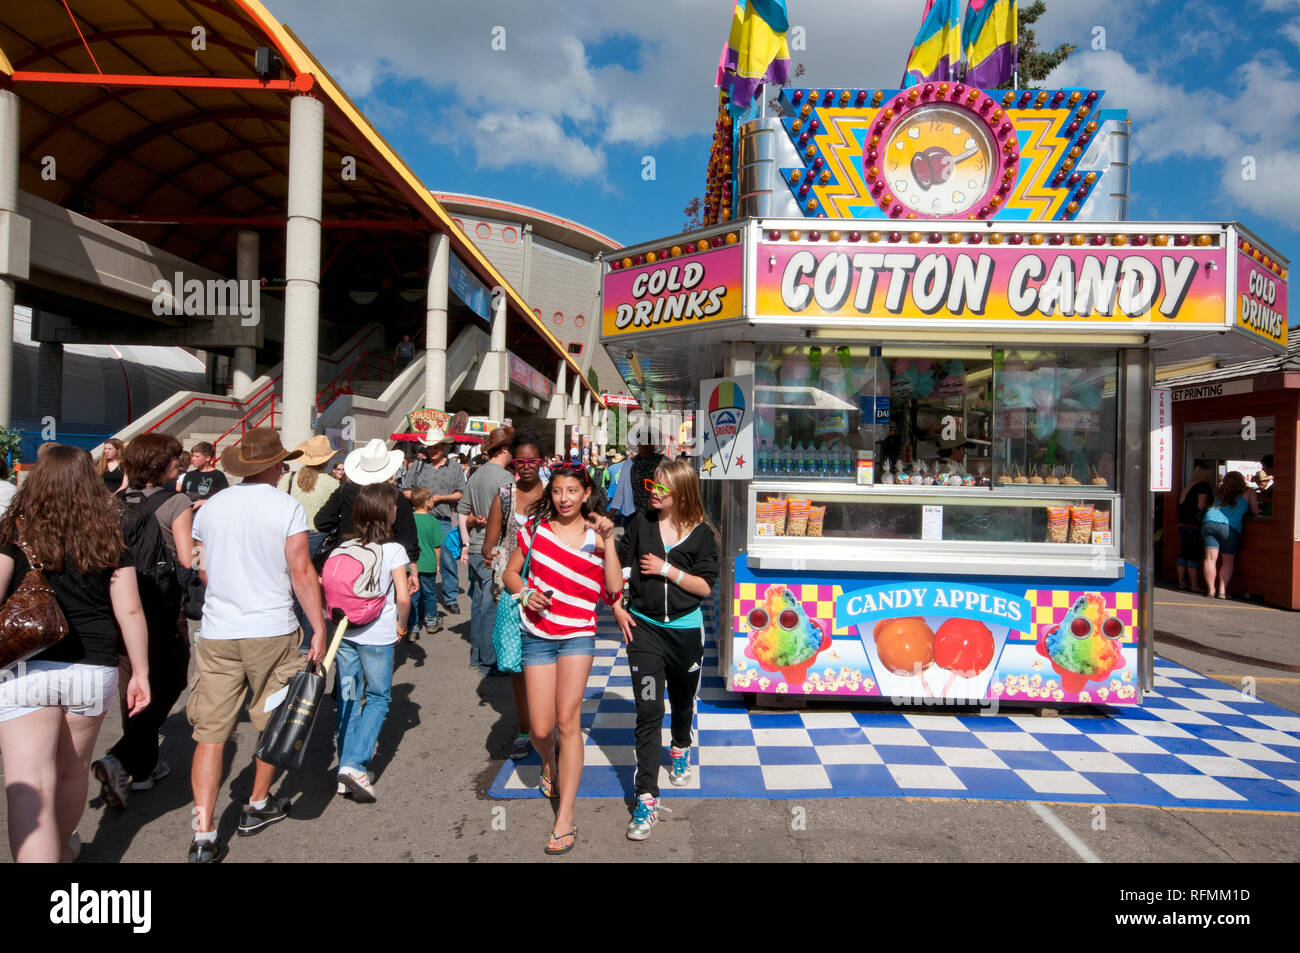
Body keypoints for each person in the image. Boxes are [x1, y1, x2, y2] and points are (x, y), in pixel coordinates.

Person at [0, 445, 150, 862]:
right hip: (93, 665)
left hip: (24, 666)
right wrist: (139, 672)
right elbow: (131, 610)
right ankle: (63, 849)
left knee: (30, 780)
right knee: (70, 773)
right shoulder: (107, 533)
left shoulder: (15, 530)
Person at [187, 428, 327, 863]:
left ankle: (205, 832)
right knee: (273, 718)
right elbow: (301, 572)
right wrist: (319, 626)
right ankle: (257, 803)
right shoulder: (286, 507)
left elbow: (203, 569)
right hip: (271, 626)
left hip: (217, 628)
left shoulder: (210, 509)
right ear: (271, 465)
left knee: (210, 733)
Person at [501, 463, 620, 855]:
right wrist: (524, 593)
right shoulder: (534, 531)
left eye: (572, 491)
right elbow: (511, 574)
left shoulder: (596, 536)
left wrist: (611, 540)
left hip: (577, 637)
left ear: (586, 493)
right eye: (557, 492)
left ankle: (565, 816)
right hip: (536, 635)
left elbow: (613, 589)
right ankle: (548, 764)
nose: (564, 499)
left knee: (569, 720)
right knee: (539, 728)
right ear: (549, 495)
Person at [613, 457, 719, 841]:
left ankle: (679, 746)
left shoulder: (703, 534)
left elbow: (705, 587)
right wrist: (617, 605)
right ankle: (647, 798)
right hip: (646, 631)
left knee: (682, 701)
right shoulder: (641, 523)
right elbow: (622, 567)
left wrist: (667, 570)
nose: (652, 493)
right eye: (650, 487)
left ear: (681, 494)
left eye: (660, 489)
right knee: (648, 709)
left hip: (687, 633)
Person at [92, 433, 194, 807]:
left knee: (132, 681)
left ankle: (141, 769)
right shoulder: (177, 500)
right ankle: (120, 758)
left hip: (118, 602)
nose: (179, 465)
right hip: (162, 602)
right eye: (174, 460)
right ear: (161, 464)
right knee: (172, 676)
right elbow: (186, 557)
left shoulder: (115, 502)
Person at [330, 482, 411, 803]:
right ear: (385, 513)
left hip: (346, 634)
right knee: (378, 698)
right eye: (393, 506)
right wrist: (401, 627)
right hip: (378, 637)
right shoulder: (393, 550)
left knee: (349, 696)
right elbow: (403, 598)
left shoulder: (343, 547)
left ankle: (345, 765)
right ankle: (354, 765)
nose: (396, 511)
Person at [482, 428, 548, 759]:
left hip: (550, 590)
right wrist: (500, 556)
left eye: (531, 460)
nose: (525, 466)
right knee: (518, 667)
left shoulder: (556, 494)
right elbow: (488, 546)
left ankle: (548, 727)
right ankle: (525, 730)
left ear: (542, 461)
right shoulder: (504, 496)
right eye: (519, 461)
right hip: (512, 591)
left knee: (550, 661)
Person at [316, 439, 420, 597]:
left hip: (348, 556)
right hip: (382, 561)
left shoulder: (344, 491)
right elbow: (407, 536)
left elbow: (321, 521)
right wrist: (412, 570)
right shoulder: (395, 497)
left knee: (346, 606)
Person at [459, 427, 517, 676]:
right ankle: (488, 660)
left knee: (479, 604)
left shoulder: (476, 474)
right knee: (491, 604)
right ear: (505, 449)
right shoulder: (505, 479)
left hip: (474, 546)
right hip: (495, 549)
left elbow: (462, 511)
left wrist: (465, 541)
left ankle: (476, 656)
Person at [399, 429, 464, 620]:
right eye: (430, 447)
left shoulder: (454, 468)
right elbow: (405, 490)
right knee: (416, 559)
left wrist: (441, 497)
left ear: (444, 447)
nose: (433, 451)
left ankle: (450, 598)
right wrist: (422, 499)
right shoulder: (417, 466)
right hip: (417, 520)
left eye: (436, 447)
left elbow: (461, 492)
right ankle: (417, 597)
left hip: (442, 519)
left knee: (447, 560)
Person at [1201, 471, 1259, 601]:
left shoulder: (1221, 491)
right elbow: (1255, 511)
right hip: (1229, 526)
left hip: (1209, 522)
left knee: (1210, 559)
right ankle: (1222, 591)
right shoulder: (1248, 492)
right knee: (1228, 560)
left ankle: (1211, 590)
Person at [408, 487, 445, 638]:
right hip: (428, 562)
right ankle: (431, 622)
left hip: (410, 564)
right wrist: (437, 564)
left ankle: (413, 627)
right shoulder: (433, 521)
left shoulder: (408, 519)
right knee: (430, 594)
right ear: (427, 502)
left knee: (412, 596)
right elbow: (437, 546)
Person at [1175, 463, 1213, 592]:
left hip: (1182, 523)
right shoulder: (1203, 486)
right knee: (1193, 555)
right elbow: (1201, 506)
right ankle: (1194, 584)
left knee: (1184, 554)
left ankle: (1181, 582)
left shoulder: (1189, 486)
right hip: (1193, 525)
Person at [182, 442, 228, 509]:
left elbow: (223, 498)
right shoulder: (189, 475)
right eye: (192, 455)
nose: (193, 459)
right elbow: (183, 495)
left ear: (208, 458)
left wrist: (202, 502)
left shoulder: (218, 475)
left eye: (196, 456)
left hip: (207, 512)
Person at [628, 443, 665, 514]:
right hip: (636, 511)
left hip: (657, 509)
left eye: (648, 441)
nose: (644, 445)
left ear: (653, 444)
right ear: (638, 444)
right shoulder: (632, 462)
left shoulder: (662, 460)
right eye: (641, 441)